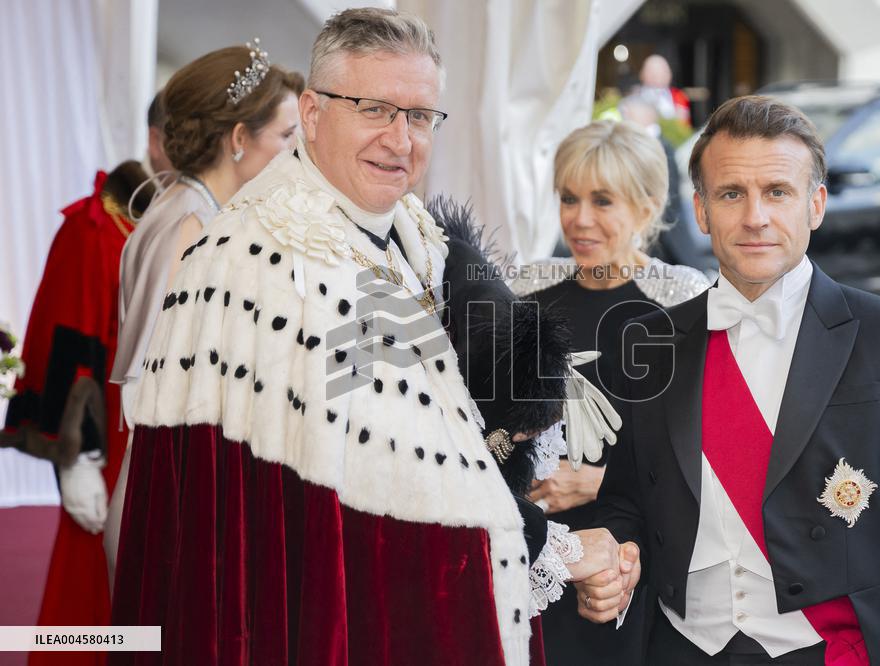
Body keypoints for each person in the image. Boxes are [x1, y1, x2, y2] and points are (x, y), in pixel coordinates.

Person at [109, 9, 626, 665]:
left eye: (419, 116)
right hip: (308, 620)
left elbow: (416, 425)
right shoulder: (269, 254)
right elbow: (395, 468)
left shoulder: (405, 231)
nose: (400, 139)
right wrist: (557, 546)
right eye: (376, 109)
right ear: (313, 112)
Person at [579, 95, 880, 665]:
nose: (755, 217)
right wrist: (616, 555)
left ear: (815, 204)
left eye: (778, 192)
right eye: (732, 193)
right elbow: (628, 503)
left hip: (830, 650)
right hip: (682, 648)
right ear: (700, 210)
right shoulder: (650, 343)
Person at [510, 119, 708, 665]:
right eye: (569, 198)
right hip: (530, 550)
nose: (579, 218)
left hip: (634, 560)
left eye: (603, 201)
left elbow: (708, 454)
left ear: (646, 208)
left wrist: (601, 479)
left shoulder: (685, 302)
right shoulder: (525, 292)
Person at [103, 44, 304, 575]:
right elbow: (153, 378)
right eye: (286, 136)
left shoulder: (192, 210)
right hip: (169, 494)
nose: (293, 153)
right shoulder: (191, 226)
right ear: (240, 139)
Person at [1, 160, 154, 666]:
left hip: (154, 434)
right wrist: (77, 454)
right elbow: (67, 336)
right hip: (104, 440)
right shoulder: (92, 225)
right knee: (86, 597)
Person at [636, 54, 691, 128]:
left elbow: (685, 126)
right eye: (652, 71)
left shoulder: (679, 96)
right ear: (642, 74)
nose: (658, 75)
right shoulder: (635, 97)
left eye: (663, 71)